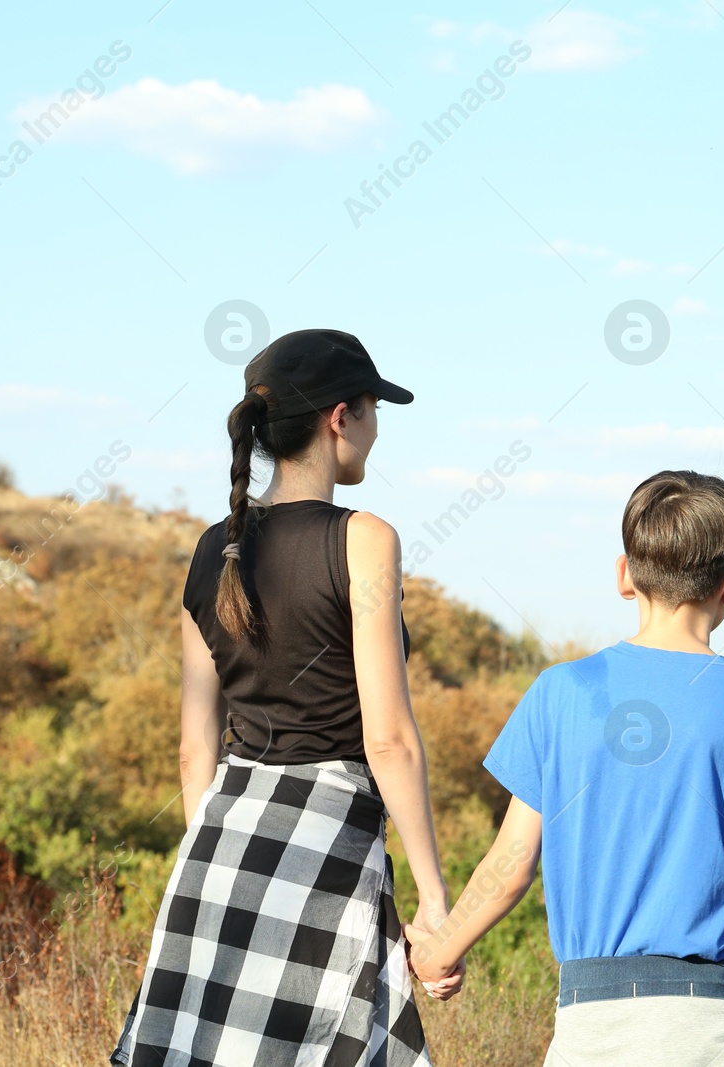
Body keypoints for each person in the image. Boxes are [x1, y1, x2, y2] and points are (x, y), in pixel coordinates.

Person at [112, 329, 459, 1067]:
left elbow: (193, 748)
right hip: (325, 843)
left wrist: (208, 863)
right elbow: (388, 738)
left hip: (217, 848)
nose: (375, 428)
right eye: (373, 409)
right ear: (341, 416)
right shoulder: (365, 538)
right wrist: (434, 899)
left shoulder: (213, 547)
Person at [406, 470, 724, 1067]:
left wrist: (436, 953)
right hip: (716, 1022)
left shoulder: (561, 694)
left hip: (592, 1019)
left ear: (623, 575)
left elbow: (510, 867)